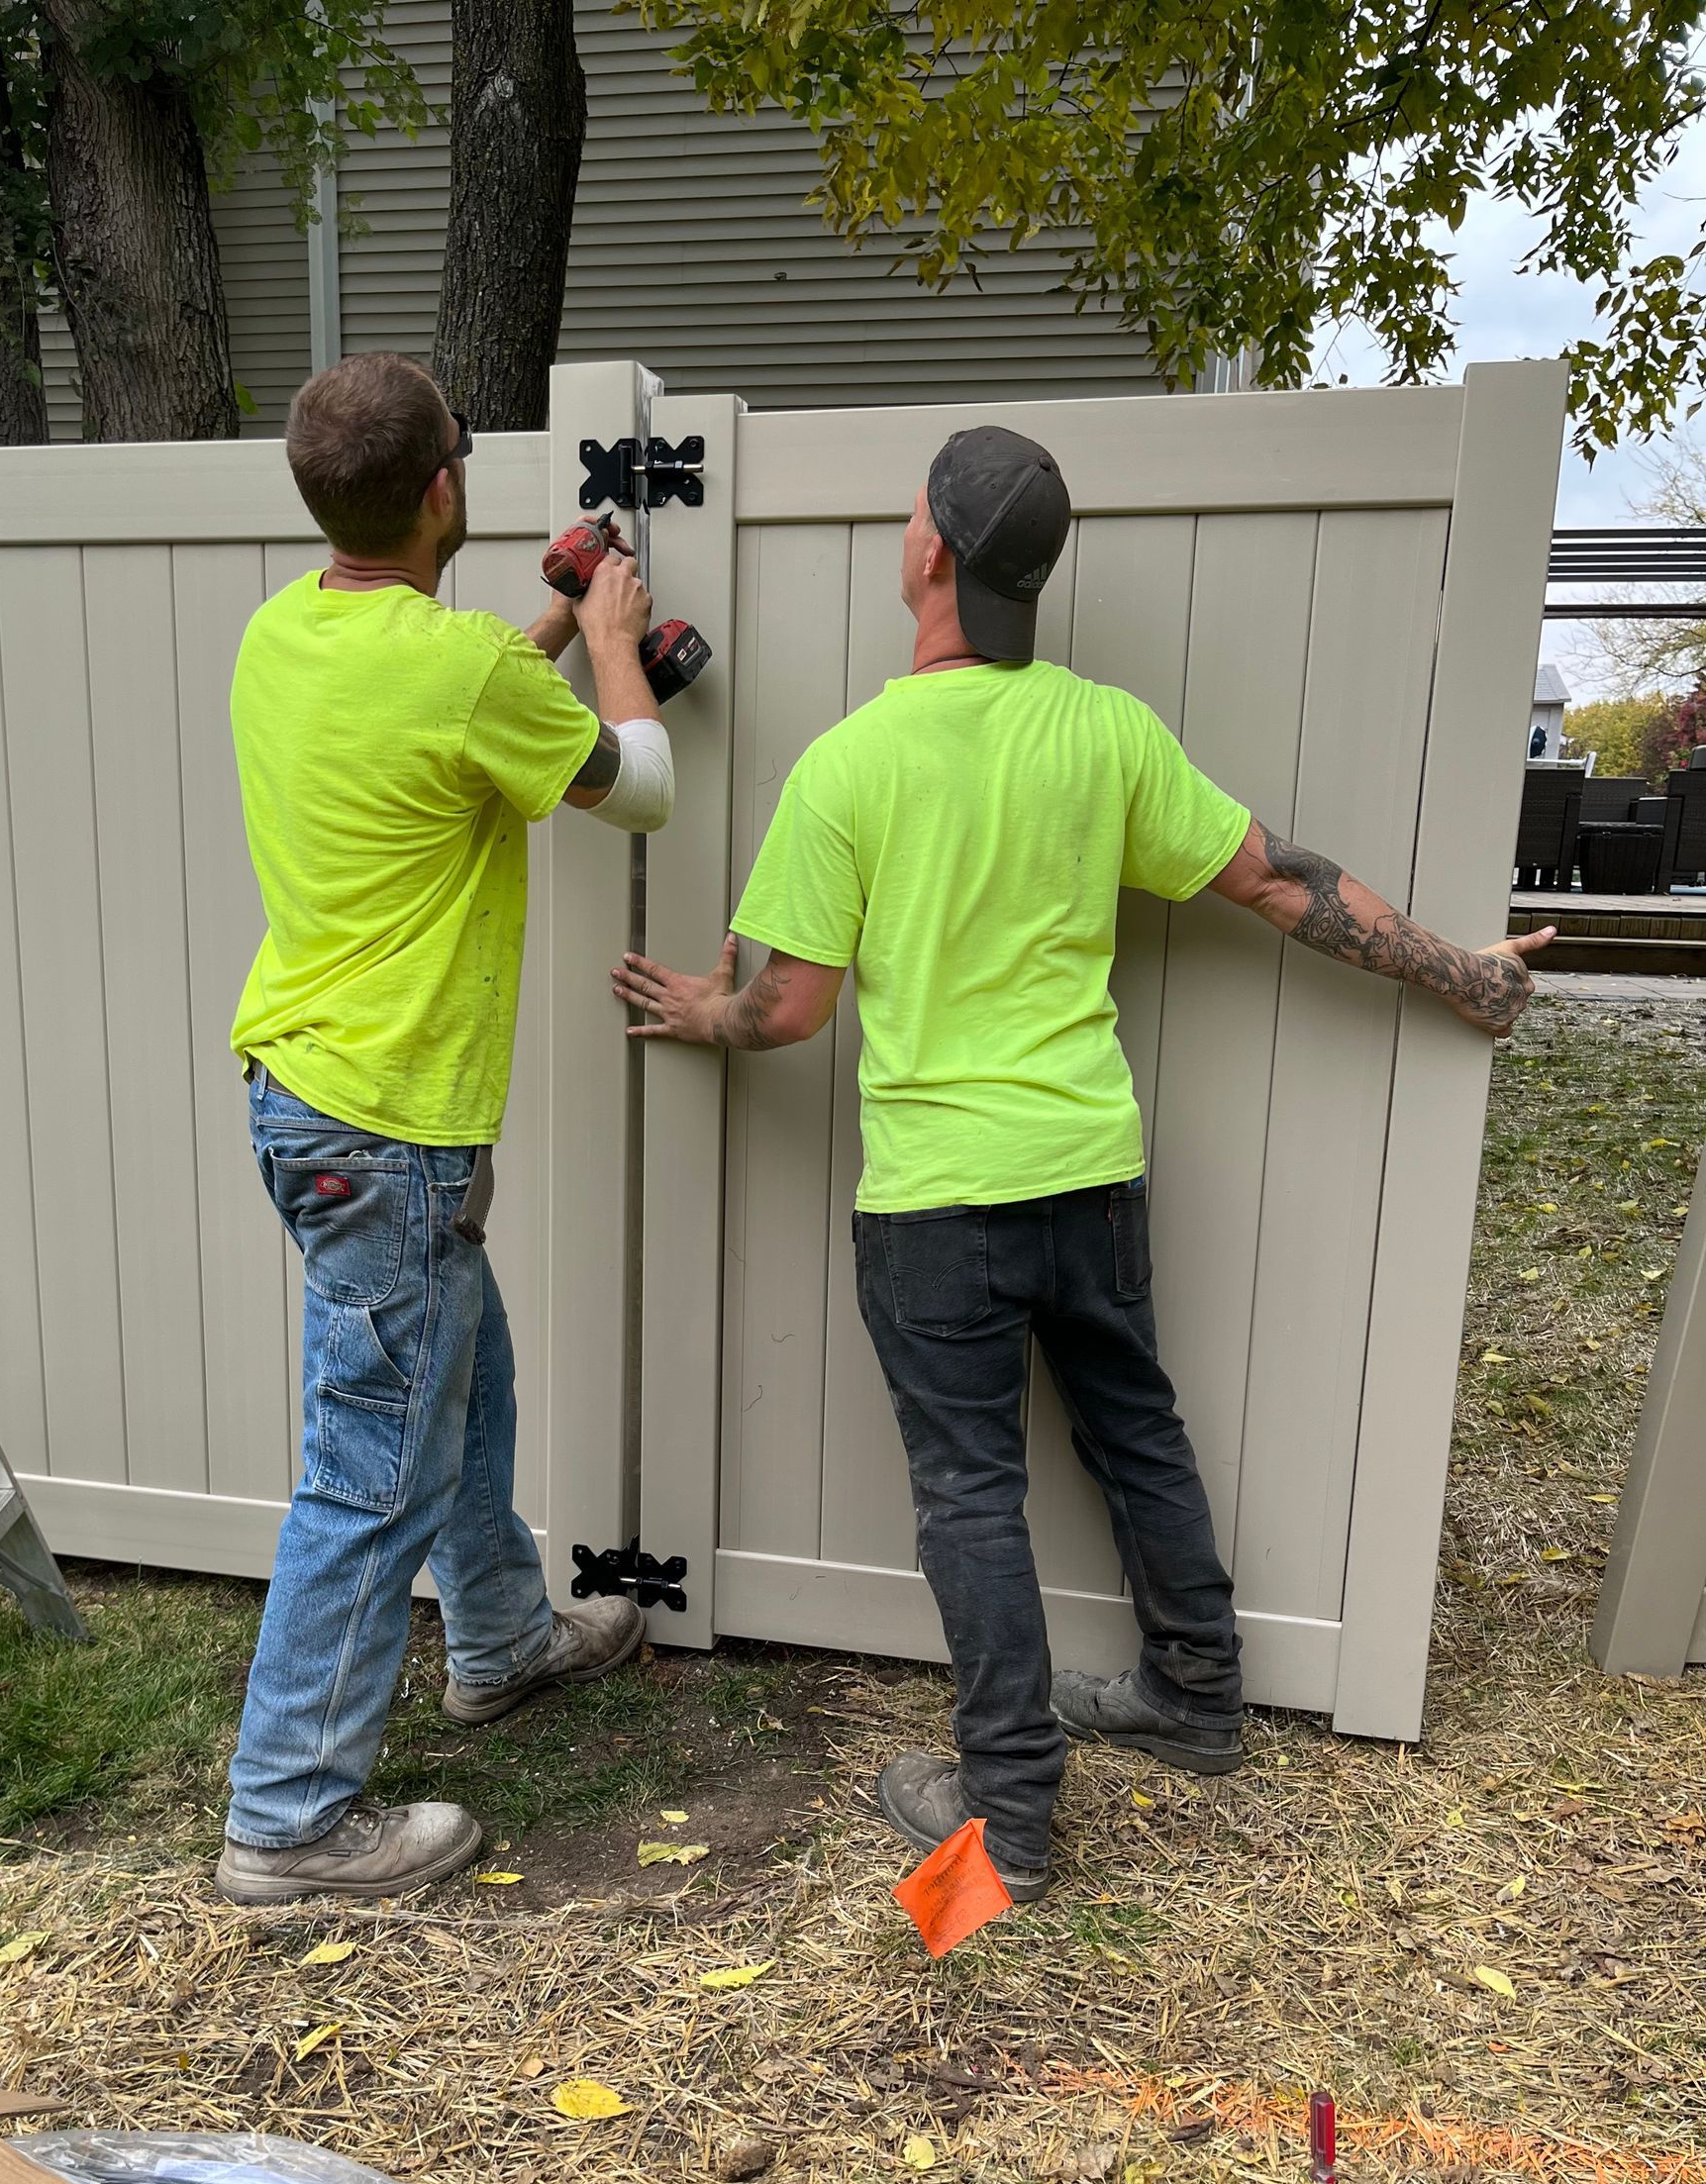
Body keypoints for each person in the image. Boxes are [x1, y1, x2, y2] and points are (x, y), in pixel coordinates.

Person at [612, 425, 1555, 1906]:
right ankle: (1196, 1691)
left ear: (930, 550)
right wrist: (1461, 972)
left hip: (939, 1207)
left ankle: (1010, 1817)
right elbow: (1281, 882)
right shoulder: (1107, 735)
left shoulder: (849, 765)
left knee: (970, 1494)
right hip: (1088, 1169)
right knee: (1135, 1430)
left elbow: (786, 1010)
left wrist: (704, 1014)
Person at [215, 351, 676, 1906]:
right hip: (386, 1128)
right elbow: (642, 786)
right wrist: (608, 645)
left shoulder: (286, 632)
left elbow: (446, 711)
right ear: (441, 490)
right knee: (372, 1471)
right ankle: (285, 1818)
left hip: (314, 1100)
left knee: (464, 1390)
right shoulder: (465, 670)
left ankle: (499, 1642)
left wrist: (544, 621)